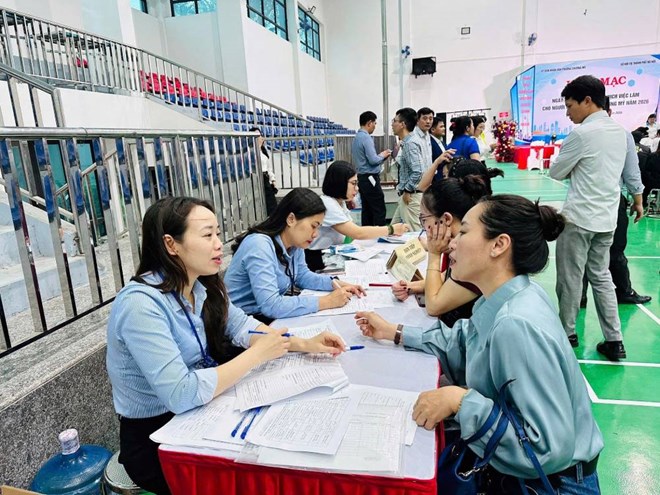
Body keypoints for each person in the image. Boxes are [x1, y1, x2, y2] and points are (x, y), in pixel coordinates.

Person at [356, 195, 603, 494]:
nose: (452, 243)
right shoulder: (508, 297)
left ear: (499, 245)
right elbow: (462, 344)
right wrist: (394, 332)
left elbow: (545, 449)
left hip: (552, 485)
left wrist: (460, 401)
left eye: (463, 232)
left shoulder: (516, 324)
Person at [106, 197, 346, 495]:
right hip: (156, 437)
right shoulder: (141, 305)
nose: (219, 244)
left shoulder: (201, 285)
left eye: (218, 233)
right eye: (207, 235)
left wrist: (303, 344)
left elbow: (243, 326)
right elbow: (180, 393)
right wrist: (256, 355)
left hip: (203, 411)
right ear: (171, 244)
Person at [550, 75, 628, 360]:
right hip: (607, 218)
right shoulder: (620, 132)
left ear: (587, 101)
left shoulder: (582, 134)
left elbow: (556, 172)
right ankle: (614, 340)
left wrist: (573, 168)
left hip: (579, 218)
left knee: (570, 279)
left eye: (570, 105)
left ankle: (567, 333)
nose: (568, 113)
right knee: (602, 277)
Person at [224, 188, 364, 323]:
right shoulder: (259, 245)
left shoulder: (294, 243)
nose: (315, 234)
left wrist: (334, 283)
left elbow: (302, 276)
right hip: (243, 322)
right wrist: (327, 301)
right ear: (291, 219)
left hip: (263, 317)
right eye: (313, 226)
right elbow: (271, 306)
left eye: (318, 227)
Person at [580, 96, 650, 309]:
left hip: (583, 200)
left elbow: (560, 170)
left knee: (582, 250)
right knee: (614, 249)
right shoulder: (622, 134)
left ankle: (579, 297)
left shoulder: (580, 134)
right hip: (611, 200)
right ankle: (623, 291)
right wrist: (638, 201)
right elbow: (631, 171)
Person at [394, 176, 488, 326]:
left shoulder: (472, 254)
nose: (424, 227)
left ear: (446, 219)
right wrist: (411, 287)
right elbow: (448, 277)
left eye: (424, 219)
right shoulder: (458, 245)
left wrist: (434, 254)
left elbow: (434, 307)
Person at [306, 161, 410, 271]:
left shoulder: (339, 202)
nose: (357, 188)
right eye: (353, 183)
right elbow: (357, 233)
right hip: (318, 259)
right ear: (340, 183)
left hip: (331, 253)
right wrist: (391, 229)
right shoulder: (328, 204)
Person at [352, 111, 391, 226]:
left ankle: (367, 234)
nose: (375, 126)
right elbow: (373, 160)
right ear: (369, 123)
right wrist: (383, 155)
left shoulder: (357, 138)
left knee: (367, 210)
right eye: (374, 123)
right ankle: (381, 233)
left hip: (362, 178)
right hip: (370, 178)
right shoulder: (366, 138)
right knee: (378, 208)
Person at [390, 107, 425, 230]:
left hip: (410, 197)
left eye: (395, 121)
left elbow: (418, 170)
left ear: (403, 124)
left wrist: (407, 190)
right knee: (393, 230)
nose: (392, 124)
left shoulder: (410, 144)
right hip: (407, 196)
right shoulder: (408, 142)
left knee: (414, 232)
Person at [250, 126, 277, 215]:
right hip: (256, 177)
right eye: (257, 136)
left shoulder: (263, 151)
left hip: (265, 177)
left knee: (271, 203)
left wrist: (273, 179)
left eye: (260, 135)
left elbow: (269, 167)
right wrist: (257, 147)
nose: (260, 138)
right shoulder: (250, 152)